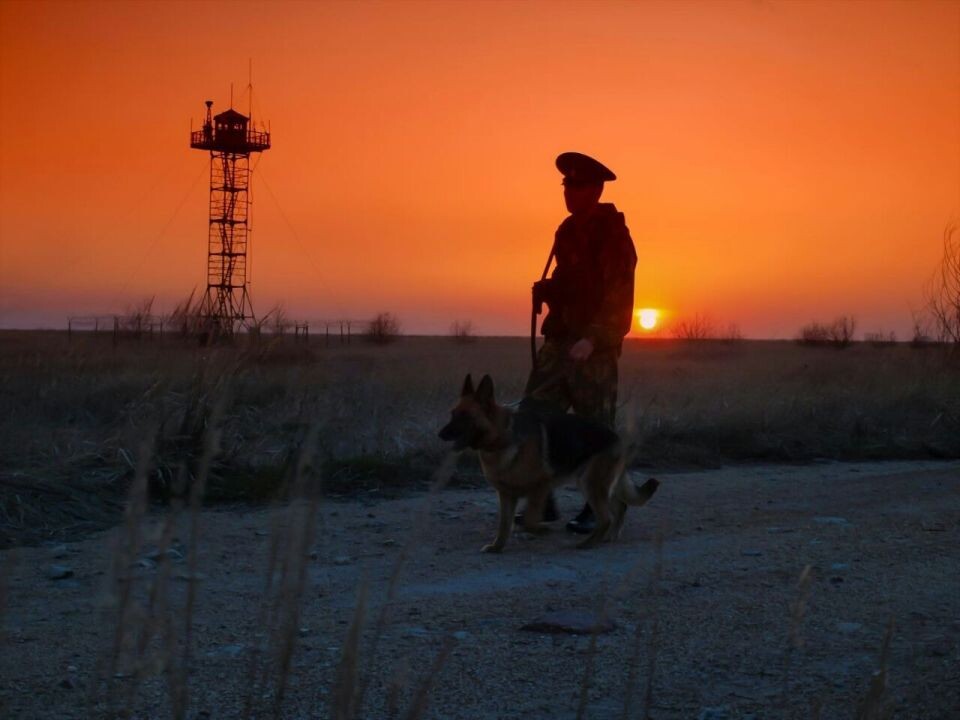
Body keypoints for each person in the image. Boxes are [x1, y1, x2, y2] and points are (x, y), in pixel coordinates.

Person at [520, 151, 637, 534]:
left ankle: (601, 507)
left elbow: (619, 296)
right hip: (561, 338)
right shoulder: (567, 231)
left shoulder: (613, 235)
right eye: (566, 184)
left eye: (577, 185)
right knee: (533, 416)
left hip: (593, 348)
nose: (569, 191)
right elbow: (569, 280)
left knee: (595, 430)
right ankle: (542, 500)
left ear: (596, 190)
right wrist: (549, 290)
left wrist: (594, 338)